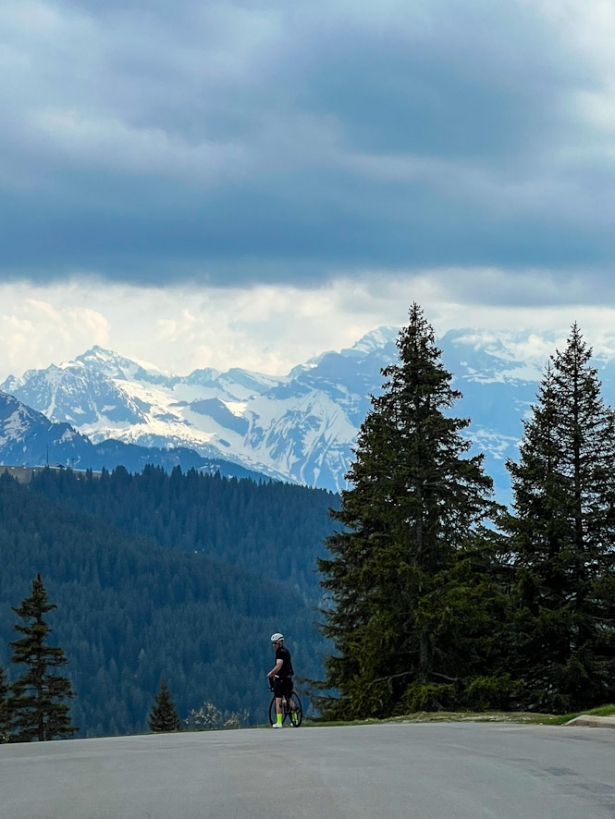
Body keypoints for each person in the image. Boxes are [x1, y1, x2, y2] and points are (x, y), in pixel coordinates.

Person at [266, 632, 296, 728]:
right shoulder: (286, 651)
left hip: (281, 678)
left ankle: (279, 722)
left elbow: (279, 666)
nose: (273, 645)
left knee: (278, 700)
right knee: (289, 698)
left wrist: (271, 673)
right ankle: (295, 719)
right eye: (272, 643)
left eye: (275, 643)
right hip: (289, 677)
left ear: (280, 642)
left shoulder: (279, 653)